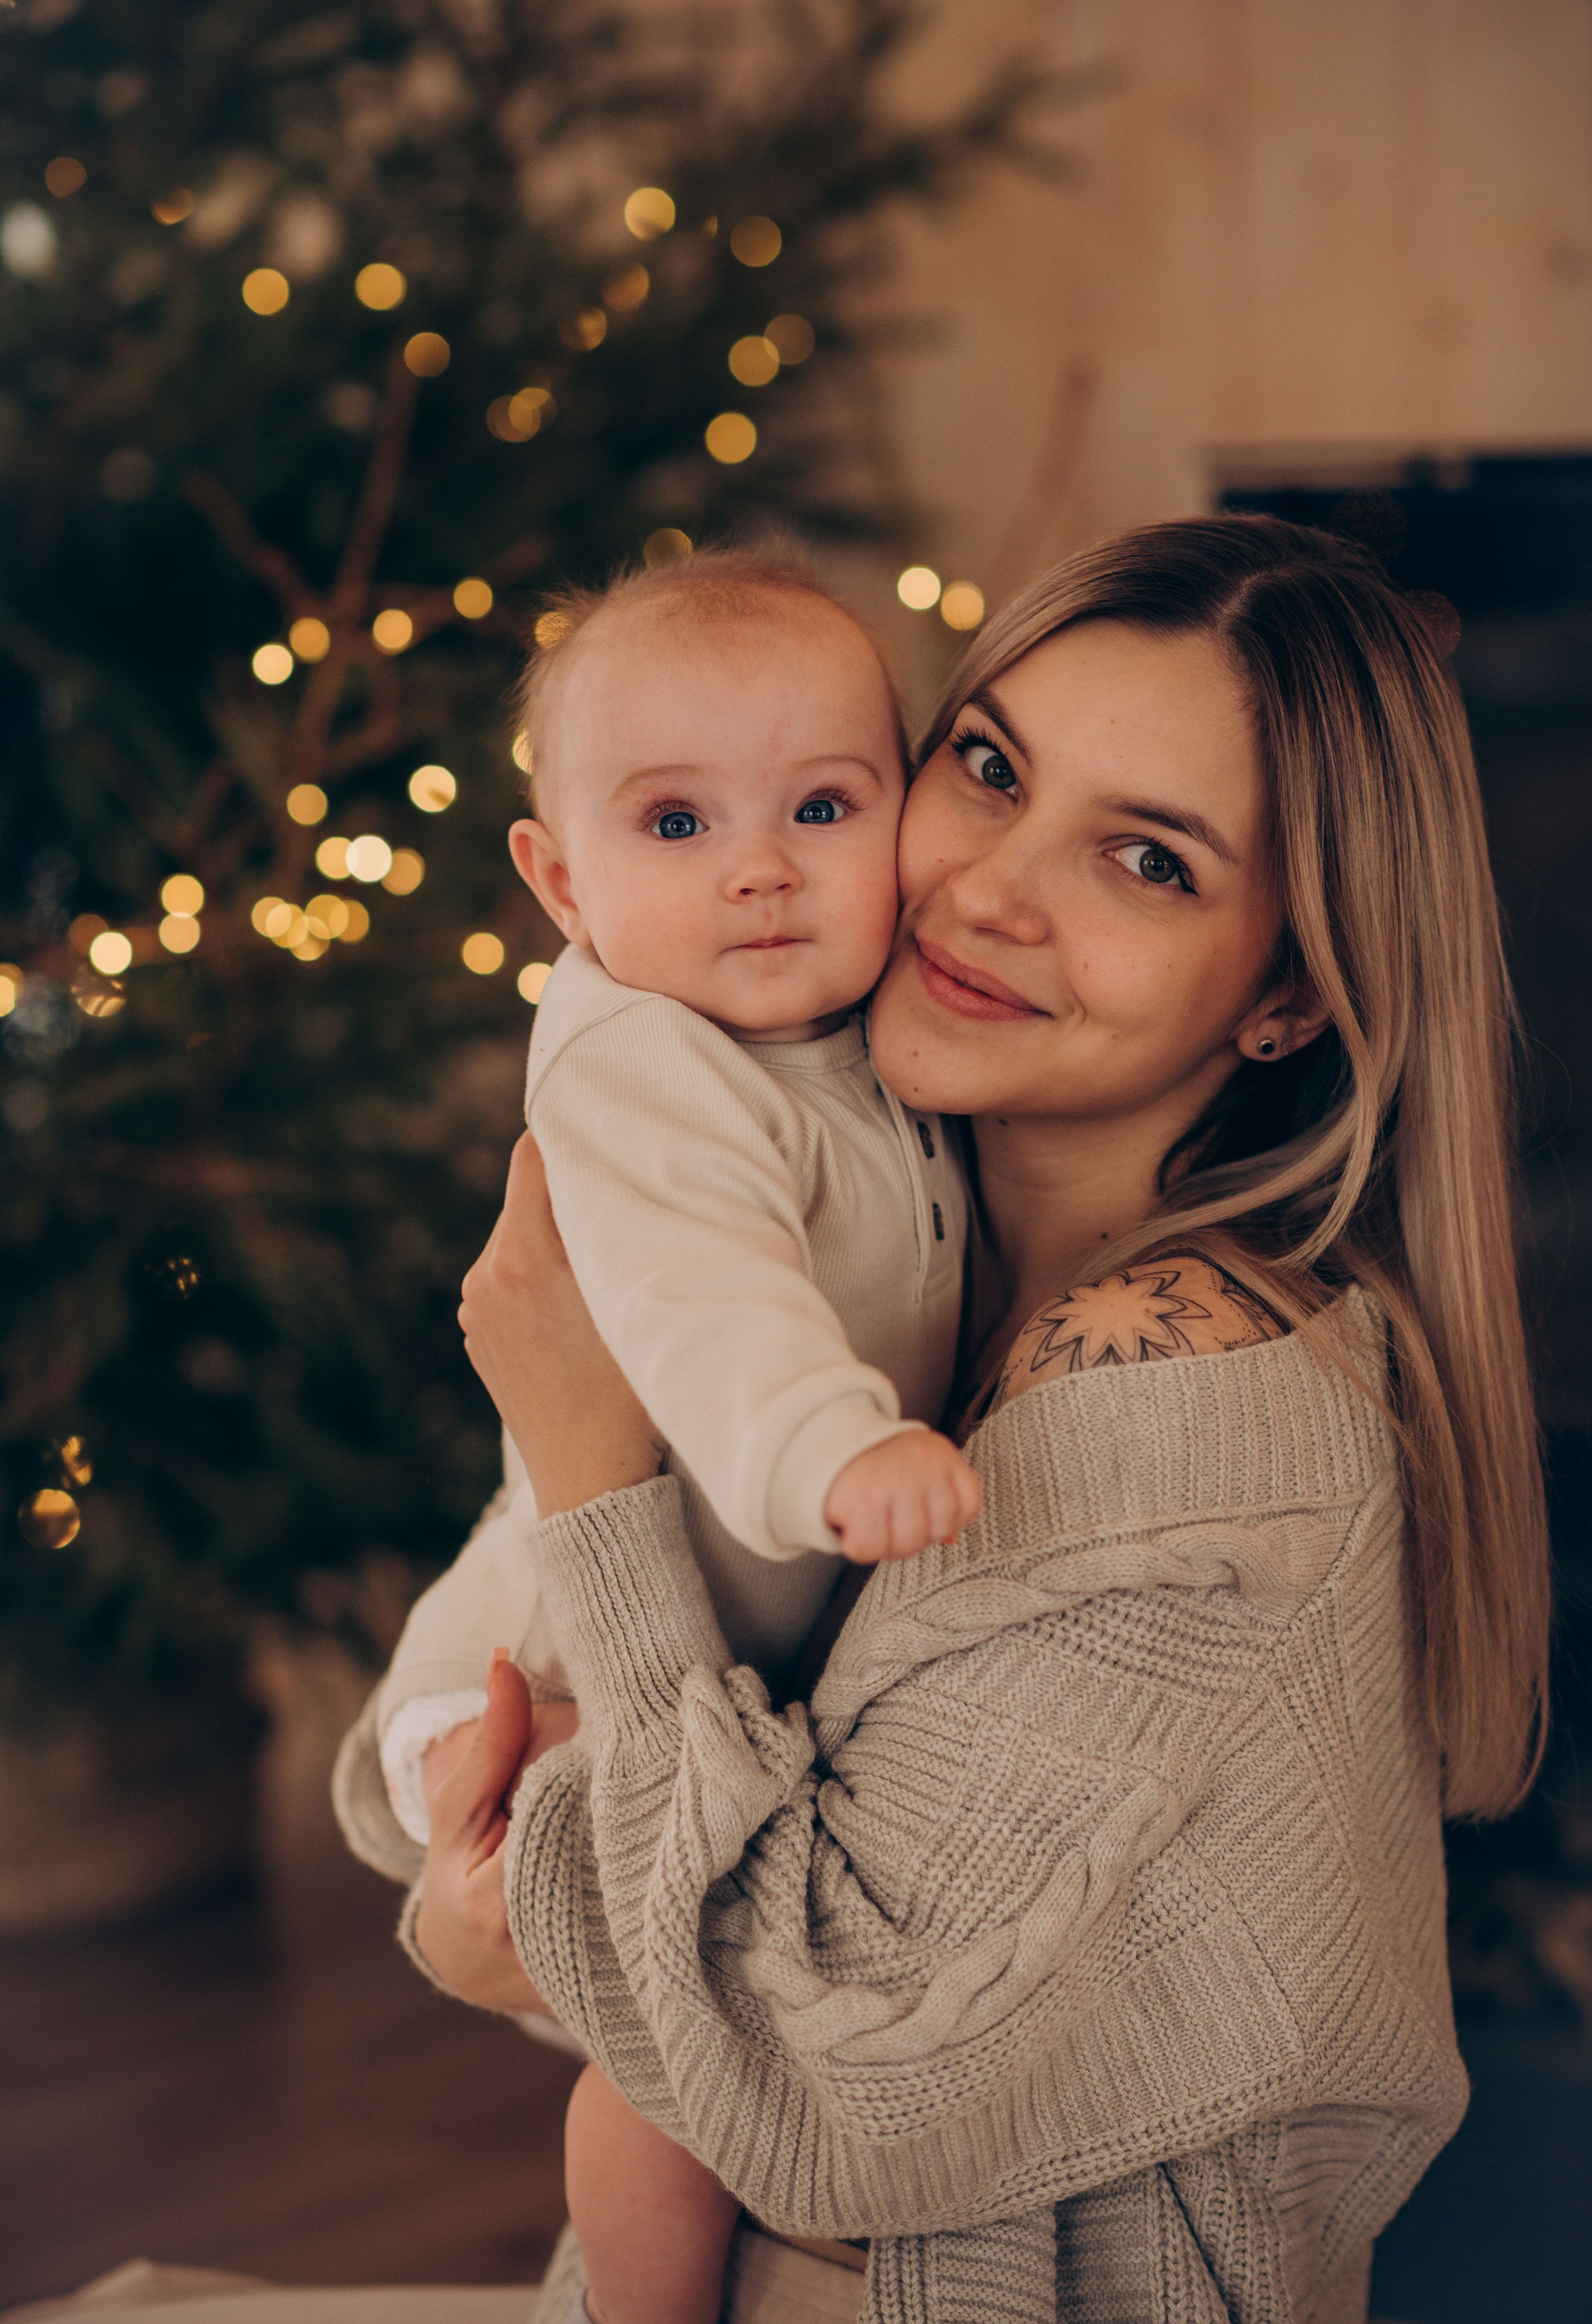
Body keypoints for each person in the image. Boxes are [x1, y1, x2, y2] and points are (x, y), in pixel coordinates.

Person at [362, 516, 1550, 2324]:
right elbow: (451, 1784)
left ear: (1289, 993)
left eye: (1148, 860)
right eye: (988, 768)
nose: (991, 889)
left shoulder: (1178, 1403)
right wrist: (485, 1896)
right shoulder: (869, 1231)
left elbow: (825, 2084)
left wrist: (596, 1470)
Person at [356, 550, 983, 2324]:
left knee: (721, 2049)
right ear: (562, 882)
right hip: (534, 1682)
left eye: (822, 807)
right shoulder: (641, 1064)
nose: (760, 868)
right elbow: (709, 1303)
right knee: (680, 2068)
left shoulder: (855, 1039)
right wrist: (835, 1452)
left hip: (683, 1659)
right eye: (677, 822)